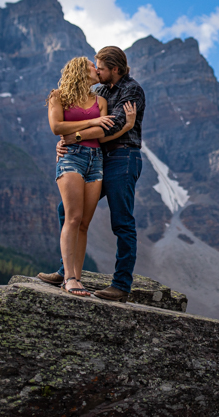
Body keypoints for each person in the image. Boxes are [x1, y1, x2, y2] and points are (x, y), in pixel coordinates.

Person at [38, 46, 145, 303]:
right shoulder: (100, 91)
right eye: (94, 66)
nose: (97, 70)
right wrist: (66, 141)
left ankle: (121, 284)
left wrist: (71, 137)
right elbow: (83, 120)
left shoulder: (132, 91)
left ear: (115, 70)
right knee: (68, 212)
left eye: (101, 67)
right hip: (97, 157)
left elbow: (112, 126)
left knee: (121, 220)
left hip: (122, 157)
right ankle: (67, 272)